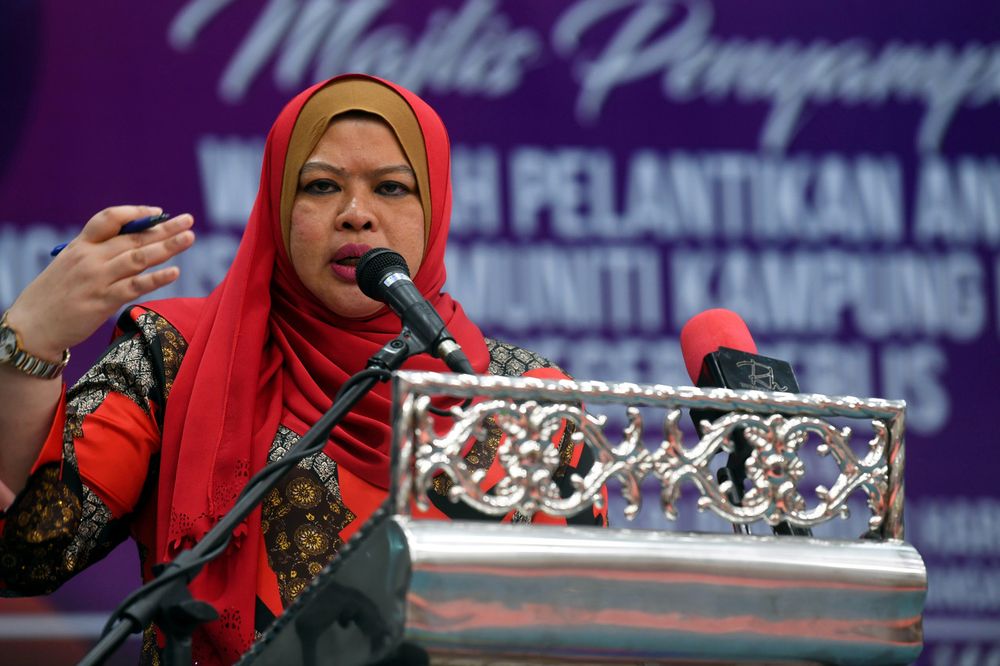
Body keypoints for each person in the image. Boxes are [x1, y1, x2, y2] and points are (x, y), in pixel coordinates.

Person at [0, 74, 606, 664]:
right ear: (277, 207)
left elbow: (586, 627)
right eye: (320, 187)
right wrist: (30, 341)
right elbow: (30, 553)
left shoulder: (529, 403)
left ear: (437, 207)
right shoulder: (174, 357)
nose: (355, 214)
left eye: (392, 188)